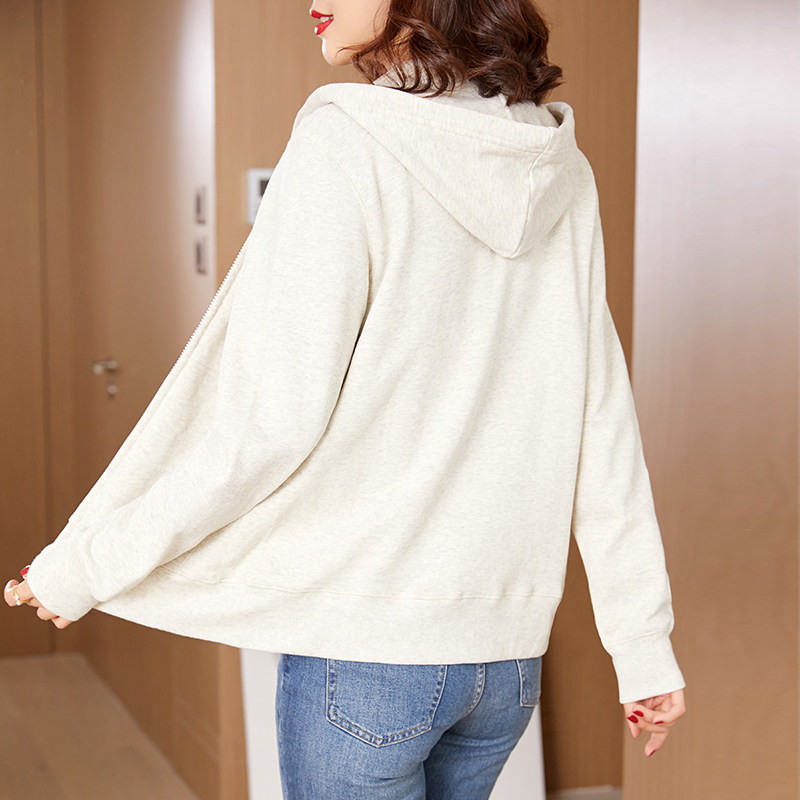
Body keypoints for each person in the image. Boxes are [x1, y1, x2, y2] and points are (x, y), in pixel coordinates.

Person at [5, 0, 686, 796]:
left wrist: (85, 565)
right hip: (503, 664)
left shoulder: (346, 142)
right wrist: (644, 650)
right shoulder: (560, 169)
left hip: (369, 656)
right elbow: (600, 423)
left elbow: (266, 425)